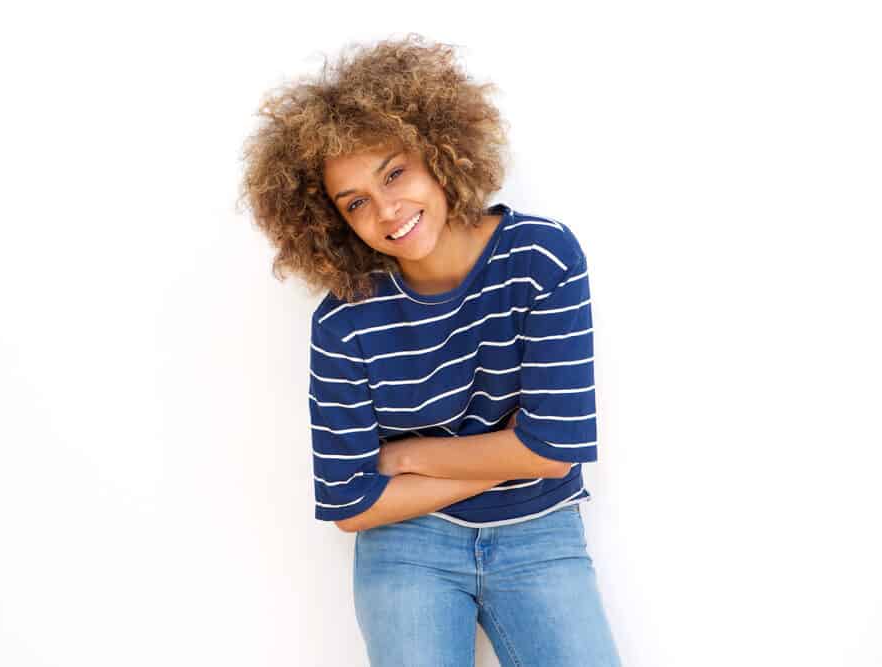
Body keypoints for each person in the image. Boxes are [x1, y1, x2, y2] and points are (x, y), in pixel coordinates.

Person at [239, 33, 621, 666]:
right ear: (334, 222)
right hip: (406, 543)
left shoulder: (541, 258)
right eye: (356, 202)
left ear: (440, 152)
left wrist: (411, 456)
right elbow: (351, 504)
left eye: (395, 172)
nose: (388, 210)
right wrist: (519, 454)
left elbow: (554, 454)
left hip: (539, 531)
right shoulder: (343, 324)